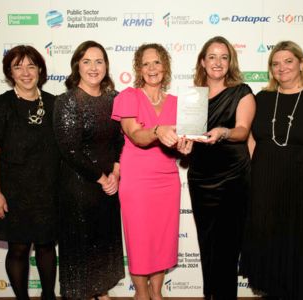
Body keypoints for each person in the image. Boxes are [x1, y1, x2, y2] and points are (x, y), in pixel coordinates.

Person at [240, 40, 303, 300]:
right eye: (275, 63)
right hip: (266, 185)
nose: (281, 68)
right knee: (269, 244)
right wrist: (254, 175)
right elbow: (251, 140)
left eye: (288, 61)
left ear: (301, 63)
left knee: (302, 244)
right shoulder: (261, 99)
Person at [111, 43, 192, 300]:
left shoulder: (179, 103)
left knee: (162, 240)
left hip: (167, 180)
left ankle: (157, 293)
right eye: (145, 63)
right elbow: (137, 136)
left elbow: (181, 145)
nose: (152, 68)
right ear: (138, 68)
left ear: (165, 67)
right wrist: (157, 130)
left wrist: (187, 148)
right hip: (136, 180)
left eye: (157, 62)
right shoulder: (128, 96)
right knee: (139, 240)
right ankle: (141, 293)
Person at [0, 45, 60, 300]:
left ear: (40, 70)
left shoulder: (54, 104)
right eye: (18, 66)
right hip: (14, 193)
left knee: (47, 247)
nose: (26, 72)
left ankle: (48, 296)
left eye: (31, 66)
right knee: (18, 249)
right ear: (10, 72)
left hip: (49, 190)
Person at [53, 41, 125, 300]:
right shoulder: (67, 101)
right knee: (82, 247)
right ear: (77, 66)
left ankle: (101, 292)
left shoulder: (114, 99)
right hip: (79, 189)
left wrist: (116, 173)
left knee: (103, 243)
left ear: (106, 65)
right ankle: (84, 294)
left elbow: (120, 140)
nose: (94, 67)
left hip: (109, 187)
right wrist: (103, 178)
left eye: (99, 61)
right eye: (87, 61)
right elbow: (70, 150)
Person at [186, 36, 256, 300]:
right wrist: (185, 145)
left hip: (232, 178)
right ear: (203, 62)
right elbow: (191, 137)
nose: (218, 62)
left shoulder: (242, 92)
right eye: (212, 57)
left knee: (227, 248)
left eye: (224, 57)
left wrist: (224, 132)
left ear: (230, 62)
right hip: (200, 179)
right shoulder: (194, 95)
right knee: (207, 245)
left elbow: (242, 131)